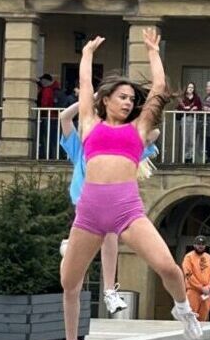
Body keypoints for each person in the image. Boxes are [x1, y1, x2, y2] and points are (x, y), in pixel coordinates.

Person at [59, 30, 202, 340]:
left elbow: (158, 89)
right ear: (106, 99)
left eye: (131, 99)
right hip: (89, 213)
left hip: (127, 211)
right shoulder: (89, 124)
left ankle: (183, 309)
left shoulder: (138, 129)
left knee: (169, 268)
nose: (127, 102)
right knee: (69, 284)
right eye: (122, 97)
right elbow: (85, 85)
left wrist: (153, 51)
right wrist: (87, 54)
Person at [57, 101, 161, 318]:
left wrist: (126, 124)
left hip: (110, 202)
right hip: (86, 205)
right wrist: (88, 100)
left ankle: (109, 290)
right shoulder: (79, 148)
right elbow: (64, 117)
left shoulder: (120, 148)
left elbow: (155, 133)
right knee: (80, 263)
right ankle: (96, 283)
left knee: (110, 236)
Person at [182, 238, 210, 322]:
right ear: (194, 245)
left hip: (206, 292)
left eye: (202, 244)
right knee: (191, 318)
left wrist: (208, 287)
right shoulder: (188, 257)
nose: (200, 246)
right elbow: (188, 274)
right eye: (198, 244)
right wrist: (201, 287)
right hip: (193, 291)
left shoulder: (208, 257)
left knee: (204, 318)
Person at [178, 83, 204, 163]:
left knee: (192, 139)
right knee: (185, 139)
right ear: (186, 88)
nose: (190, 89)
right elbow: (179, 108)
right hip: (185, 119)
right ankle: (186, 157)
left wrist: (195, 109)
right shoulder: (183, 98)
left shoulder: (196, 98)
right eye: (189, 87)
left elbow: (200, 108)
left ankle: (191, 157)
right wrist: (187, 109)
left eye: (192, 87)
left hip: (193, 119)